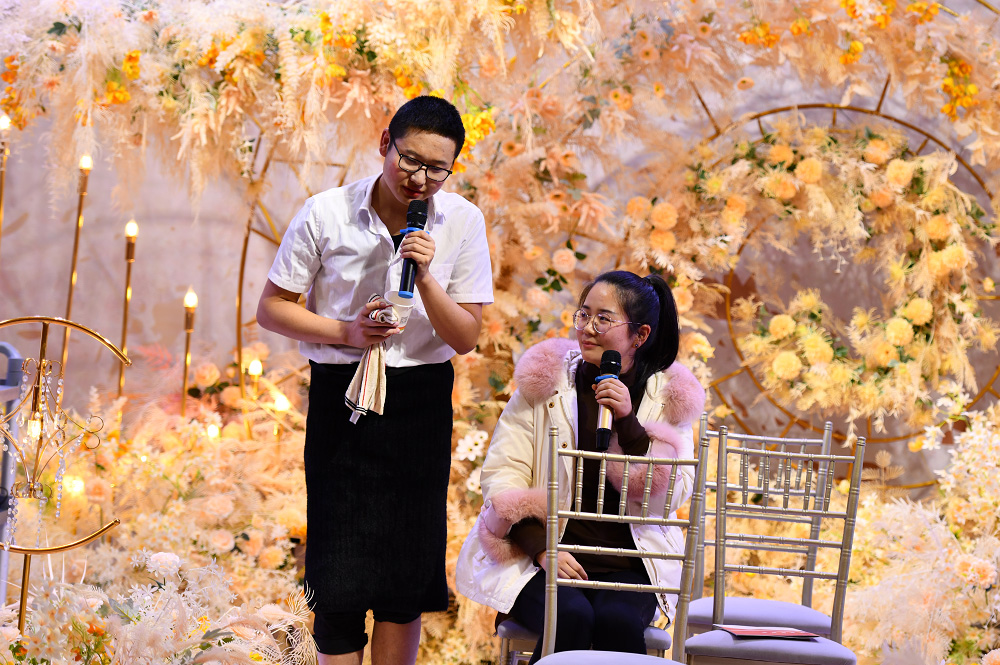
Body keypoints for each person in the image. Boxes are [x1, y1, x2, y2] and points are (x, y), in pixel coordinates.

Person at [257, 96, 494, 665]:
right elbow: (272, 308)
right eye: (410, 160)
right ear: (385, 142)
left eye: (437, 169)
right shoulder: (325, 212)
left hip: (420, 403)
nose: (421, 179)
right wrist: (347, 331)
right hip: (343, 400)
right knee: (336, 573)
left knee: (404, 576)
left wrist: (427, 275)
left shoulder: (462, 220)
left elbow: (466, 336)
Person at [456, 270, 705, 662]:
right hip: (542, 556)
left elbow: (671, 498)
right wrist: (542, 548)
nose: (587, 328)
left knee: (618, 623)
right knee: (570, 616)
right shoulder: (544, 382)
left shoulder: (669, 397)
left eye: (603, 319)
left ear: (639, 335)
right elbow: (503, 474)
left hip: (630, 565)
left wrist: (629, 424)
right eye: (584, 314)